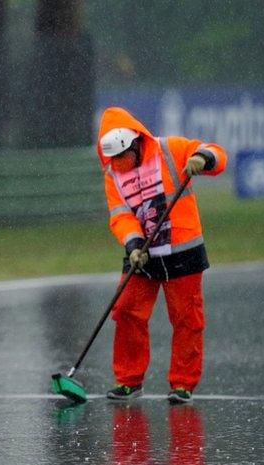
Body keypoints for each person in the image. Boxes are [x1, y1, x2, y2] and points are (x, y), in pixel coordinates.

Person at [97, 107, 226, 404]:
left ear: (135, 145)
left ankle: (183, 384)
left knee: (187, 319)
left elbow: (217, 154)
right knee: (127, 310)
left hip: (183, 251)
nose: (117, 165)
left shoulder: (171, 148)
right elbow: (120, 215)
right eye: (112, 160)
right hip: (143, 254)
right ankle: (129, 380)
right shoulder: (112, 173)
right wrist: (133, 245)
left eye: (121, 158)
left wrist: (203, 158)